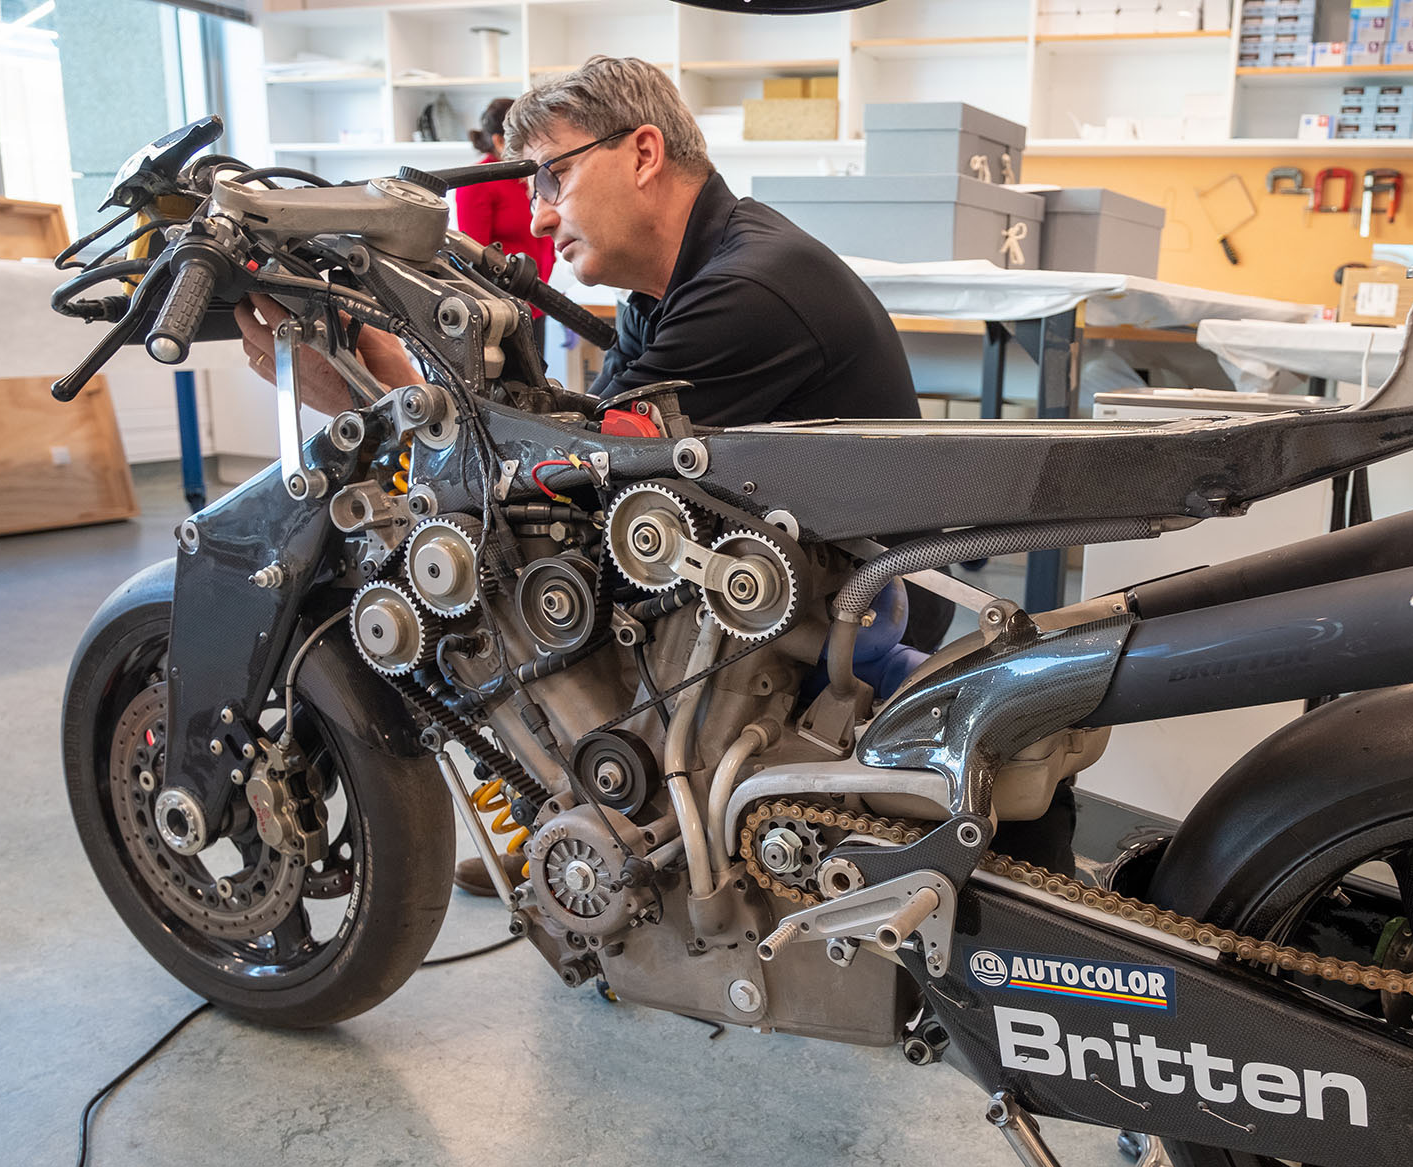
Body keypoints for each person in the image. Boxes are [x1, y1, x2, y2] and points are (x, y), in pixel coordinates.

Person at [238, 56, 932, 899]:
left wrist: (382, 387)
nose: (538, 214)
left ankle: (594, 807)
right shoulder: (669, 288)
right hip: (784, 589)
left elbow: (561, 483)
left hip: (839, 629)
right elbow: (582, 446)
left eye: (554, 174)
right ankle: (561, 806)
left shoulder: (749, 288)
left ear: (643, 153)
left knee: (494, 574)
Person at [457, 97, 554, 365]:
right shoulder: (477, 182)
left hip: (537, 303)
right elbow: (475, 256)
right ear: (500, 141)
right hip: (505, 313)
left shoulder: (529, 177)